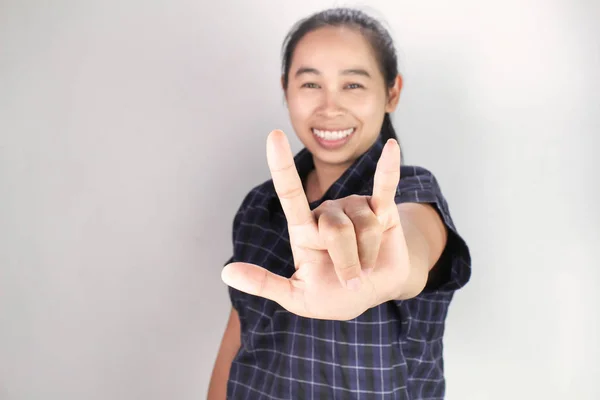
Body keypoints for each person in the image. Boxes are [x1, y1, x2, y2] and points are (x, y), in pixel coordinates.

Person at [207, 7, 471, 400]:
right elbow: (239, 336)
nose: (330, 108)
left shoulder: (411, 194)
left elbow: (412, 247)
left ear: (392, 92)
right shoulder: (260, 204)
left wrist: (384, 267)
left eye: (353, 85)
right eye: (311, 84)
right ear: (286, 89)